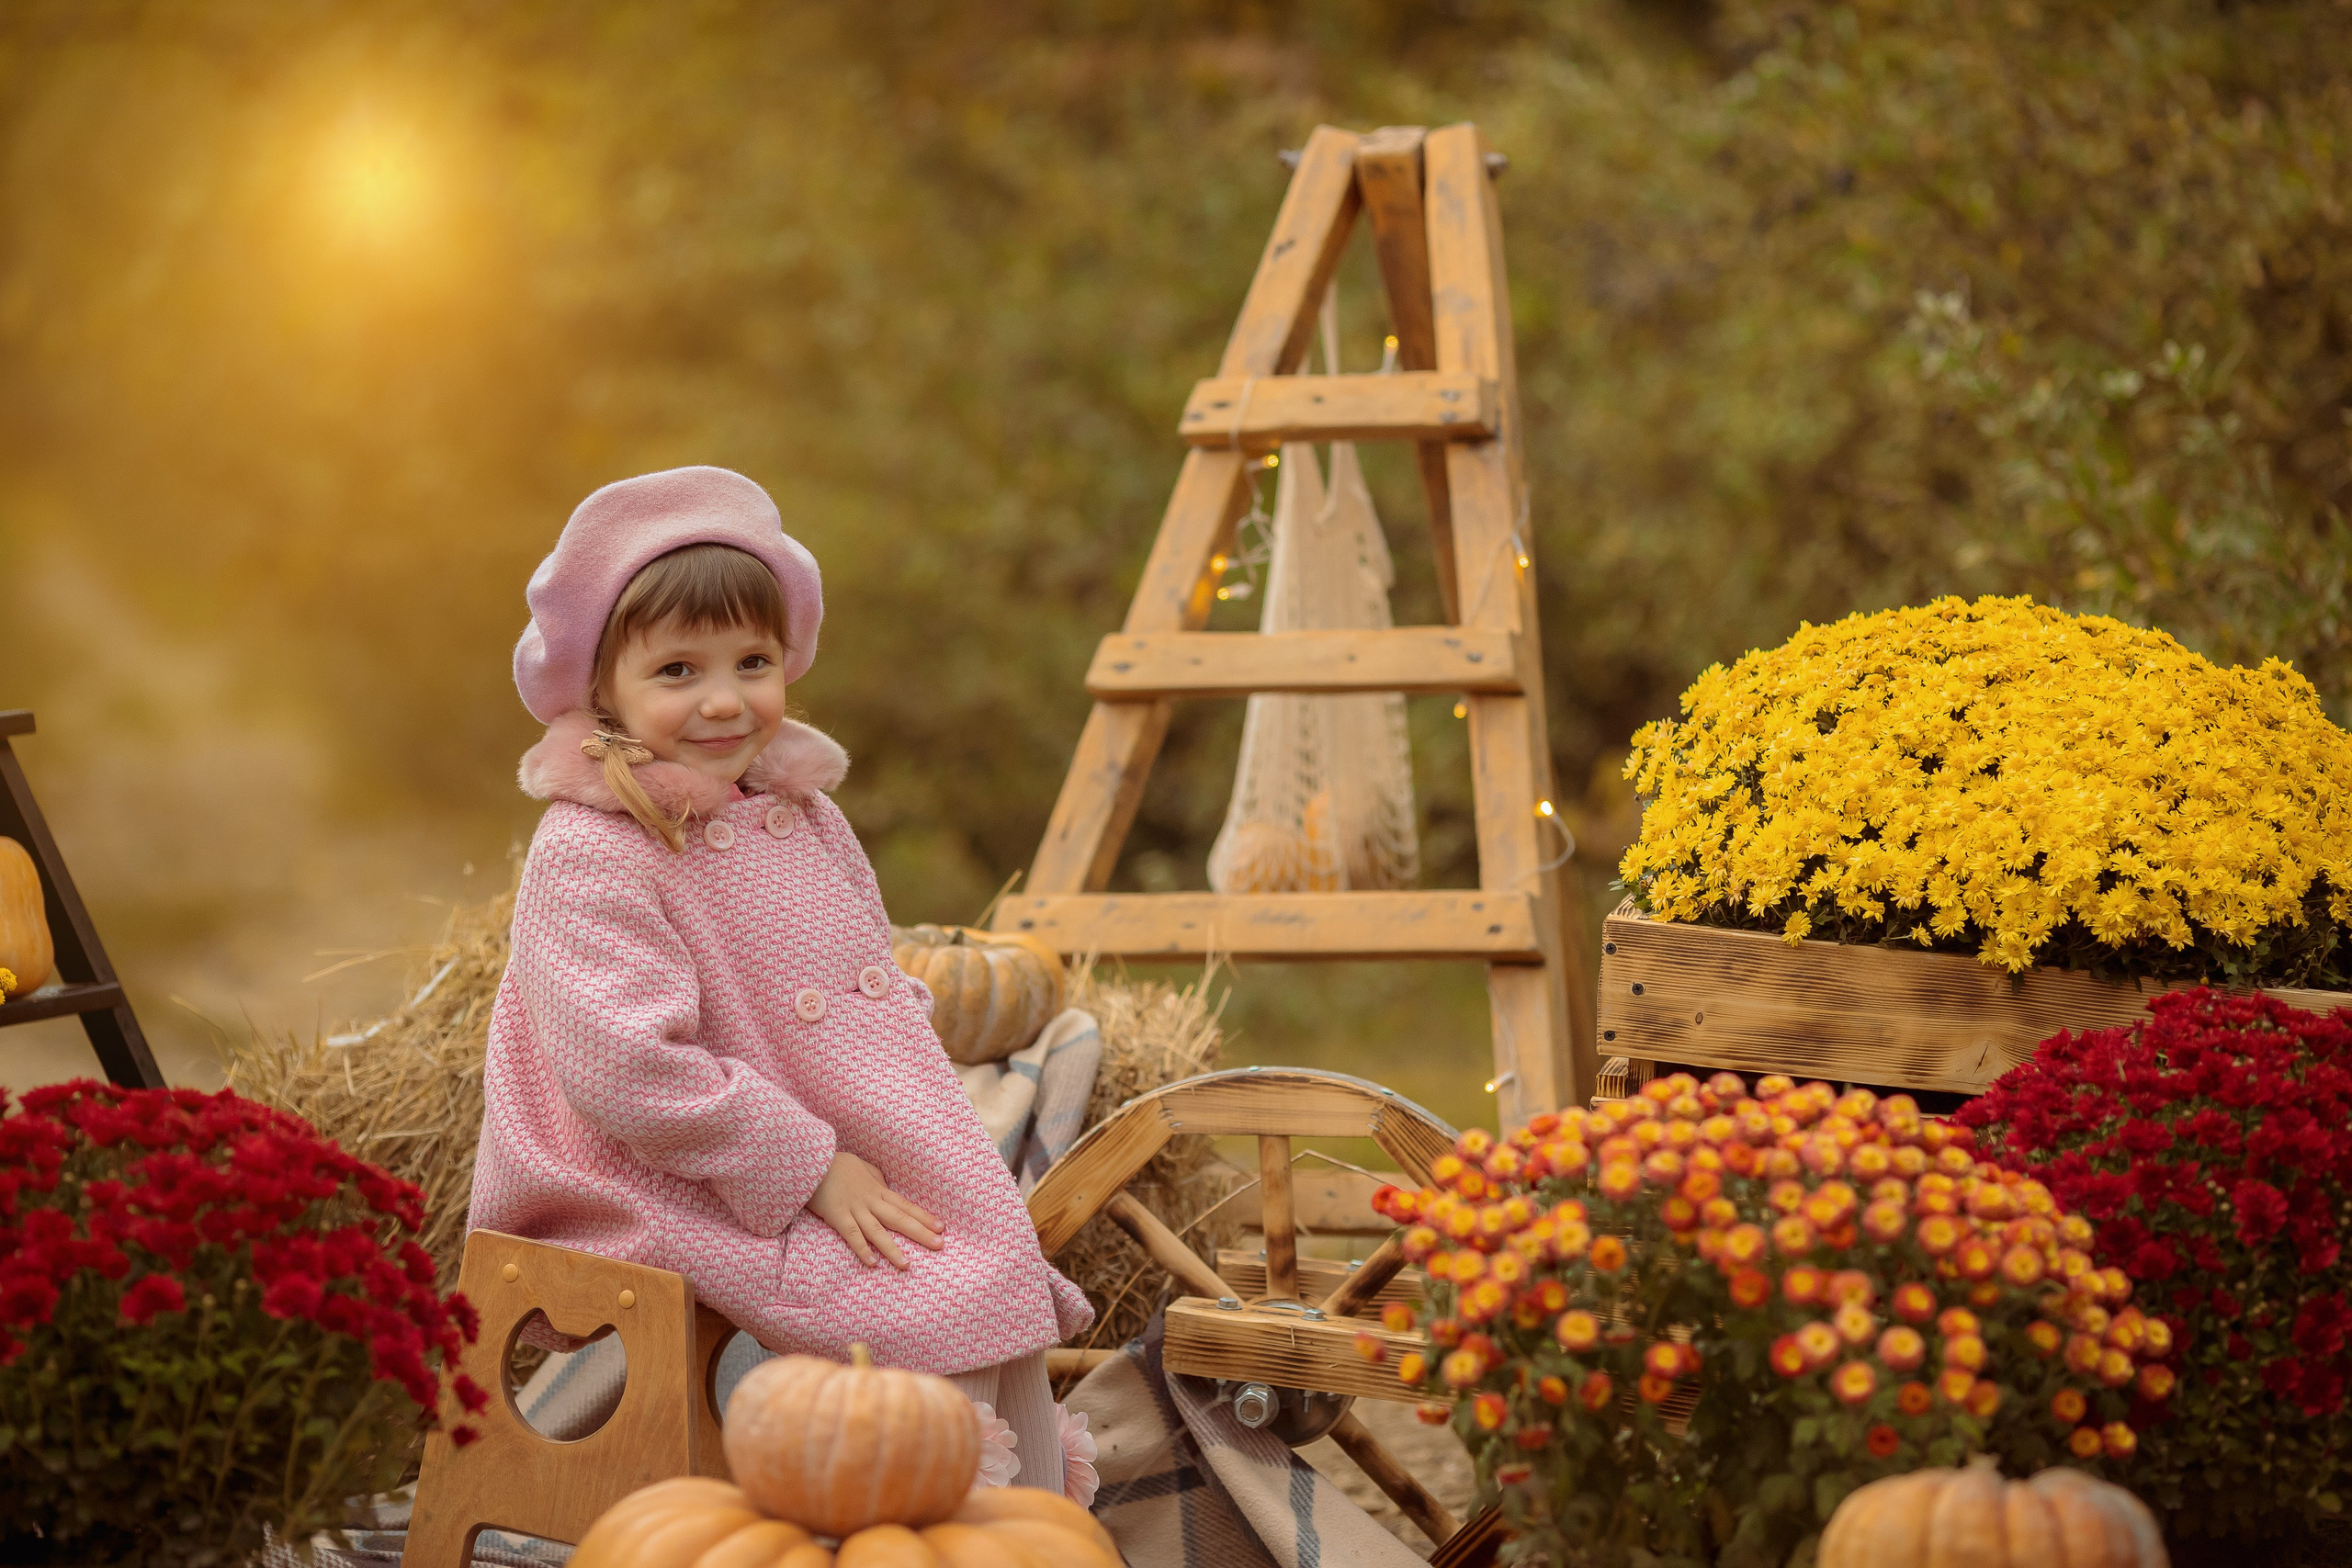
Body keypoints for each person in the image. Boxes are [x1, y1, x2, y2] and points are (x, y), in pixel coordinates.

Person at [469, 466, 1091, 1494]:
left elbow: (867, 982)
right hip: (646, 1171)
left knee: (981, 1247)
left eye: (752, 661)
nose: (724, 700)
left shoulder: (804, 816)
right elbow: (627, 1072)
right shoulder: (594, 848)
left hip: (785, 1136)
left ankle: (1027, 1514)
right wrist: (809, 1167)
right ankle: (927, 1506)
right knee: (920, 1288)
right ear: (603, 690)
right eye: (677, 670)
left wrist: (907, 1105)